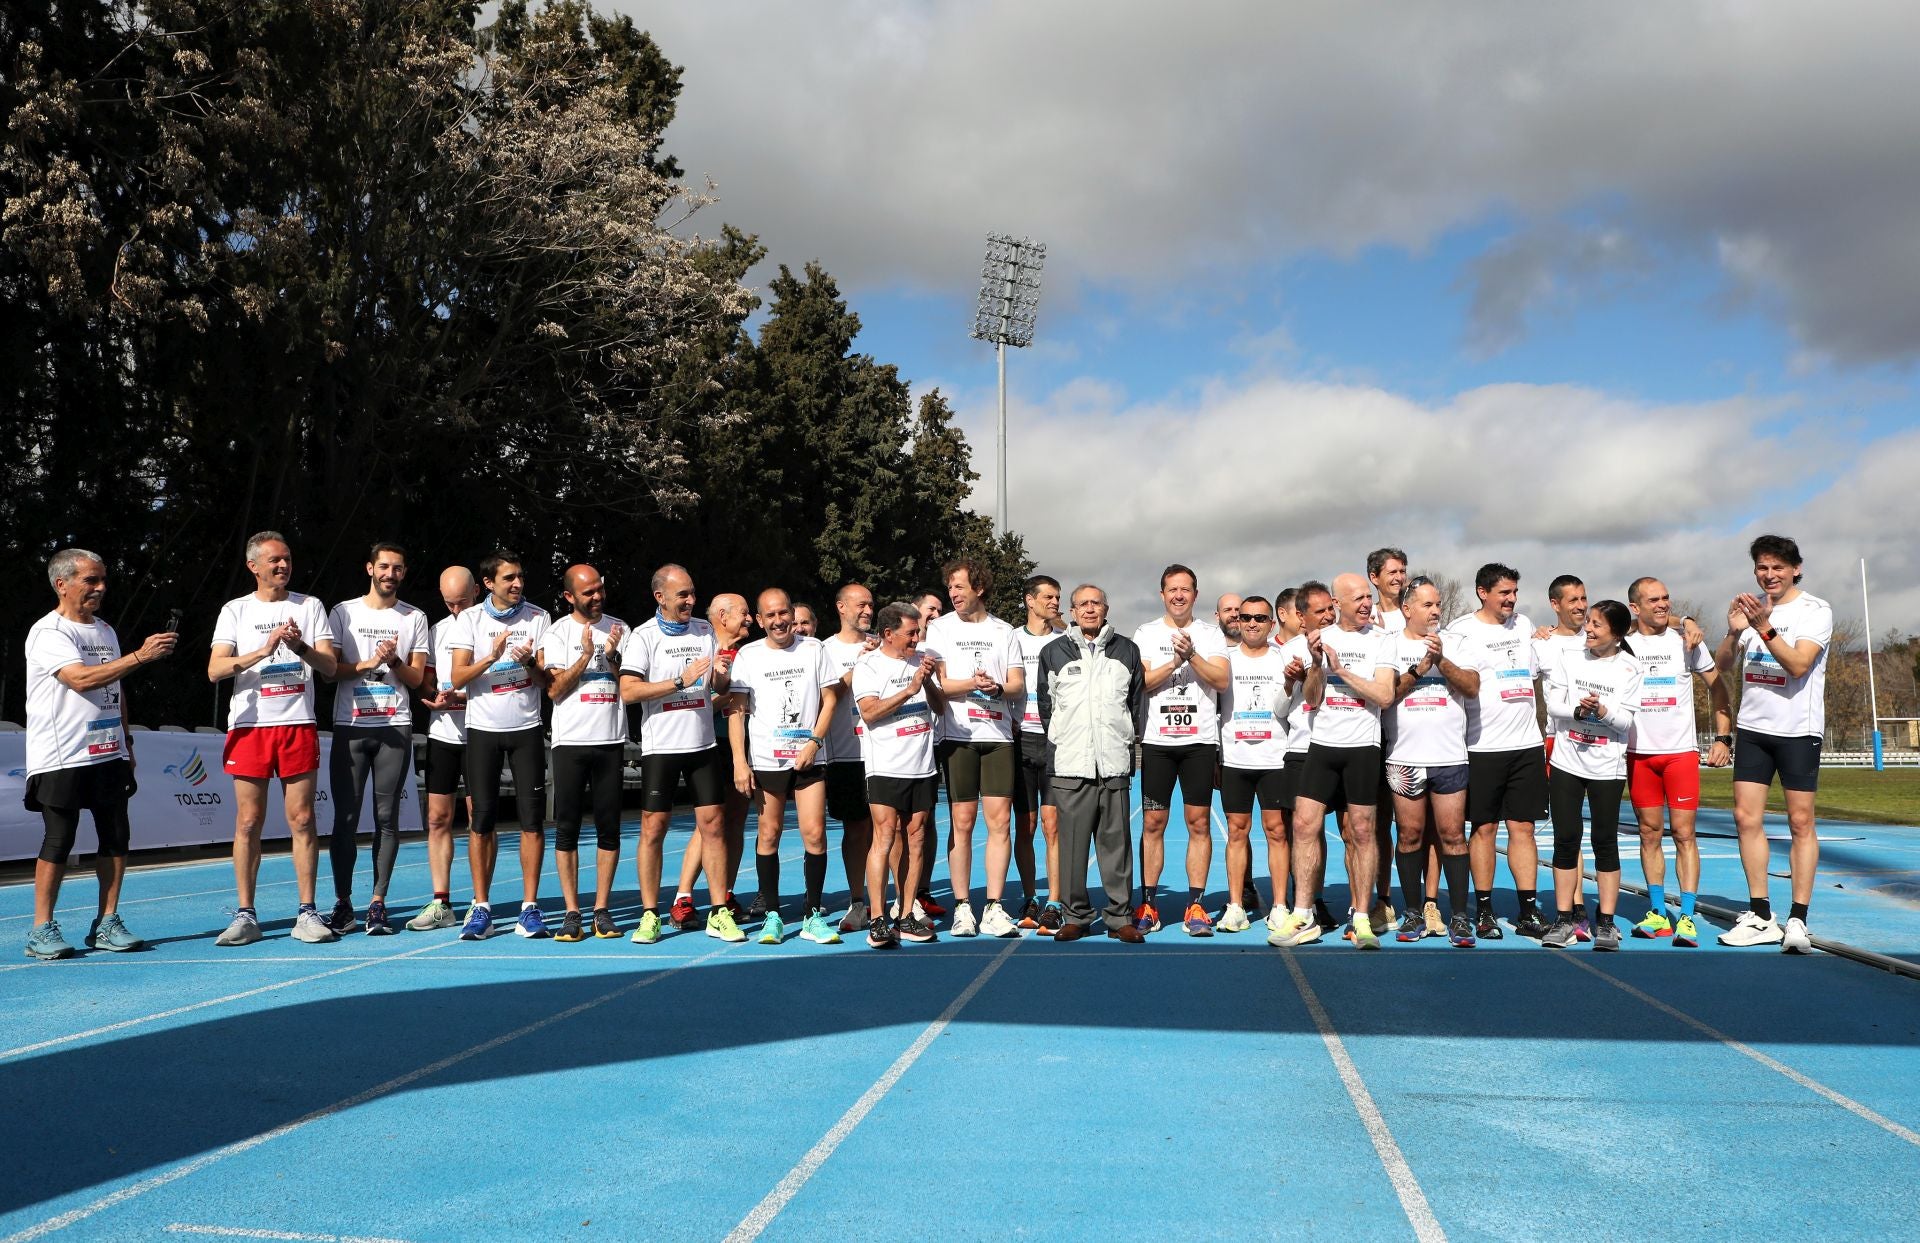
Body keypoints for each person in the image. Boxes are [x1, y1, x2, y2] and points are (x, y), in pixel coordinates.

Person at [21, 549, 177, 959]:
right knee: (59, 839)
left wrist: (126, 741)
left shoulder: (106, 630)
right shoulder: (48, 632)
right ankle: (42, 928)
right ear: (62, 584)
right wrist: (141, 655)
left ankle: (106, 922)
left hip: (107, 753)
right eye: (91, 581)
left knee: (116, 837)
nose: (101, 588)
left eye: (102, 580)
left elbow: (115, 688)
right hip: (63, 755)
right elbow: (81, 679)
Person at [208, 531, 338, 946]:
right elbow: (215, 670)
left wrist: (298, 645)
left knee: (302, 819)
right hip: (250, 726)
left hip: (297, 722)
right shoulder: (235, 610)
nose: (283, 566)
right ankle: (246, 914)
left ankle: (307, 912)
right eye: (274, 561)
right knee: (248, 822)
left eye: (287, 559)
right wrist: (263, 651)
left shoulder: (309, 605)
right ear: (254, 567)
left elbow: (330, 667)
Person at [1714, 534, 1831, 953]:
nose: (1769, 575)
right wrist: (1733, 632)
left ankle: (1798, 919)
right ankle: (1761, 914)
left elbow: (1799, 665)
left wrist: (1764, 627)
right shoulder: (1750, 611)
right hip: (1755, 730)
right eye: (1762, 568)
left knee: (1800, 822)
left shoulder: (1815, 610)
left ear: (1795, 568)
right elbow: (1723, 664)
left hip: (1798, 730)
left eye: (1778, 568)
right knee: (1746, 818)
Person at [1270, 573, 1396, 950]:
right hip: (1322, 745)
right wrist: (1315, 663)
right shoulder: (1319, 640)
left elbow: (1385, 695)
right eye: (1356, 598)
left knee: (1361, 831)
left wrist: (1340, 670)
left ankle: (1360, 918)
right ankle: (1303, 914)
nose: (1365, 603)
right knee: (1304, 824)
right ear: (1337, 604)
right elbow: (1311, 699)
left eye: (1368, 597)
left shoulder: (1382, 639)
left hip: (1362, 747)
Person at [620, 564, 740, 943]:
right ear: (661, 598)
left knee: (714, 828)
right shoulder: (643, 636)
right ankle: (649, 914)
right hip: (662, 749)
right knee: (653, 830)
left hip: (702, 745)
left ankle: (719, 912)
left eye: (692, 593)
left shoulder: (706, 631)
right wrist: (679, 681)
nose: (690, 601)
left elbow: (718, 686)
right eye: (682, 595)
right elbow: (629, 691)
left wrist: (720, 674)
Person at [728, 588, 843, 946]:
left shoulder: (814, 649)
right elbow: (736, 711)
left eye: (784, 613)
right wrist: (739, 761)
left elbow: (831, 700)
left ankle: (812, 914)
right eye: (770, 615)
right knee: (769, 833)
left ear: (792, 614)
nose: (779, 621)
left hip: (808, 756)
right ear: (760, 620)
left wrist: (814, 742)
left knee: (815, 833)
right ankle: (774, 915)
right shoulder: (748, 655)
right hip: (766, 758)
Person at [325, 543, 429, 936]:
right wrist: (367, 664)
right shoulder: (343, 612)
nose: (390, 574)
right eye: (384, 566)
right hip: (351, 725)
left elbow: (418, 681)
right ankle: (343, 903)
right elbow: (330, 670)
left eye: (398, 568)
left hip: (394, 726)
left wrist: (394, 661)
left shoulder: (414, 617)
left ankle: (377, 903)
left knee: (387, 819)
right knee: (345, 820)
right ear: (370, 567)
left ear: (403, 573)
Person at [446, 550, 551, 940]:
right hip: (483, 730)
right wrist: (492, 656)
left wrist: (528, 665)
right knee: (482, 820)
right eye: (509, 578)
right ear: (488, 583)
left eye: (520, 576)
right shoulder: (469, 620)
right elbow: (457, 678)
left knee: (532, 820)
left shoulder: (539, 617)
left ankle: (530, 908)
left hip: (526, 728)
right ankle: (481, 907)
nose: (518, 584)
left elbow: (545, 682)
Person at [1036, 584, 1147, 943]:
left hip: (1112, 764)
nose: (1089, 609)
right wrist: (1069, 739)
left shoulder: (1127, 650)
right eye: (1082, 604)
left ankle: (1119, 918)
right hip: (1071, 765)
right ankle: (1076, 916)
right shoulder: (1053, 652)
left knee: (1117, 846)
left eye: (1095, 603)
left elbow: (1135, 706)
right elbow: (1047, 708)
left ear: (1106, 608)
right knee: (1071, 847)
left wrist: (1122, 742)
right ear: (1071, 611)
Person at [1444, 563, 1550, 941]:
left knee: (1523, 828)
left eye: (1515, 592)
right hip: (1482, 746)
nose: (1511, 599)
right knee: (1484, 828)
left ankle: (1528, 910)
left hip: (1526, 745)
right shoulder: (1459, 631)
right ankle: (1485, 910)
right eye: (1504, 592)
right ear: (1482, 593)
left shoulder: (1525, 626)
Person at [1626, 578, 1731, 946]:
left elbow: (1717, 685)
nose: (1662, 604)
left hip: (1679, 755)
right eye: (1653, 600)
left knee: (1685, 834)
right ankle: (1658, 913)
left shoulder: (1686, 641)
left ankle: (1687, 916)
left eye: (1666, 598)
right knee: (1649, 834)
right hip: (1639, 755)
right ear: (1635, 608)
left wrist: (1723, 736)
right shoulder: (1623, 645)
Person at [925, 557, 1026, 937]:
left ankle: (994, 907)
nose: (953, 594)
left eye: (959, 587)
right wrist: (973, 683)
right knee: (962, 823)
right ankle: (963, 907)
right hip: (958, 737)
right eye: (950, 588)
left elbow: (1018, 685)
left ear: (979, 589)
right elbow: (938, 685)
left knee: (999, 822)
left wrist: (997, 688)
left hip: (998, 737)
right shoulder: (939, 629)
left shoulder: (1005, 631)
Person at [1132, 564, 1230, 935]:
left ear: (1195, 595)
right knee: (1153, 823)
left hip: (1199, 744)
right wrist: (1175, 659)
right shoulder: (1146, 633)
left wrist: (1192, 655)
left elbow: (1221, 680)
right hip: (1158, 743)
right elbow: (1141, 682)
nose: (1178, 595)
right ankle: (1149, 904)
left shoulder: (1210, 634)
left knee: (1198, 823)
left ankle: (1195, 905)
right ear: (1162, 594)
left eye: (1185, 590)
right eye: (1172, 589)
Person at [1382, 577, 1480, 947]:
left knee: (1453, 836)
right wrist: (1422, 668)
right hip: (1404, 757)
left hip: (1449, 756)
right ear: (1407, 609)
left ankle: (1458, 916)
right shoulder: (1388, 644)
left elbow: (1471, 686)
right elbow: (1386, 695)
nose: (1436, 610)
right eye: (1427, 605)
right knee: (1409, 835)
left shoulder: (1456, 642)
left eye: (1437, 604)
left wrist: (1443, 661)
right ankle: (1411, 912)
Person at [1541, 600, 1642, 950]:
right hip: (1568, 763)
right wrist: (1576, 709)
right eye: (1588, 621)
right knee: (1566, 839)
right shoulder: (1569, 658)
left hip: (1607, 767)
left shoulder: (1630, 668)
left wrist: (1602, 710)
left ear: (1617, 634)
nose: (1589, 628)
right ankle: (1565, 919)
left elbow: (1626, 722)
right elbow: (1553, 705)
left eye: (1597, 624)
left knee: (1604, 842)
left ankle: (1607, 923)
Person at [853, 602, 948, 947]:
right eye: (911, 632)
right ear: (888, 634)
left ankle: (907, 914)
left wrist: (930, 683)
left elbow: (940, 708)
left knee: (918, 837)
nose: (916, 638)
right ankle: (878, 919)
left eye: (918, 631)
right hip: (887, 765)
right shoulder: (869, 665)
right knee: (885, 838)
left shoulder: (921, 660)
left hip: (922, 765)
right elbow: (870, 713)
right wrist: (909, 689)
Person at [543, 564, 627, 942]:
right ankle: (572, 911)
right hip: (571, 742)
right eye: (588, 592)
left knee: (609, 826)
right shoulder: (557, 632)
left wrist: (612, 657)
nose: (596, 597)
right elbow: (554, 688)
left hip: (610, 739)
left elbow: (630, 682)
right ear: (569, 597)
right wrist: (587, 654)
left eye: (599, 589)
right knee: (568, 828)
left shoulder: (620, 627)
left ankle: (602, 909)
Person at [669, 592, 752, 929]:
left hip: (741, 744)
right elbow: (690, 698)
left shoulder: (747, 654)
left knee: (735, 820)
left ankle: (725, 894)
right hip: (704, 743)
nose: (749, 620)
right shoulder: (702, 645)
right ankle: (683, 898)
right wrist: (727, 696)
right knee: (709, 824)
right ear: (722, 615)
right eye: (744, 614)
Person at [410, 567, 478, 932]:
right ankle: (442, 901)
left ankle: (478, 903)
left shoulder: (487, 625)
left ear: (478, 592)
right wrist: (431, 696)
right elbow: (428, 679)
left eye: (463, 602)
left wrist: (466, 696)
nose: (456, 610)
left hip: (480, 733)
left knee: (477, 819)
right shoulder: (437, 629)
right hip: (443, 735)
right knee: (437, 818)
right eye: (449, 603)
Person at [1271, 583, 1340, 938]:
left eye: (1331, 608)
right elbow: (1279, 711)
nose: (1329, 615)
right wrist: (1288, 683)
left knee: (1351, 829)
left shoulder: (1349, 641)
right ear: (1301, 617)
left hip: (1347, 745)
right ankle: (1309, 902)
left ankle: (1357, 905)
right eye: (1320, 611)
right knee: (1306, 829)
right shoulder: (1290, 652)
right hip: (1304, 748)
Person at [1217, 596, 1288, 932]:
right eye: (1246, 617)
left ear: (1271, 624)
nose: (1252, 623)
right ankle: (1235, 906)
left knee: (1277, 832)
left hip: (1274, 758)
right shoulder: (1226, 660)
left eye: (1260, 618)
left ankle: (1279, 906)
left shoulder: (1282, 657)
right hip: (1235, 758)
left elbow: (1285, 708)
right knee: (1236, 832)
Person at [822, 583, 880, 932]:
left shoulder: (883, 646)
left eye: (871, 605)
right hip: (845, 754)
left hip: (885, 754)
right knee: (856, 830)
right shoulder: (823, 650)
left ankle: (898, 901)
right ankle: (858, 901)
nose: (868, 611)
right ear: (841, 607)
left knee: (892, 829)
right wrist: (857, 667)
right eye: (860, 605)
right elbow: (823, 700)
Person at [1012, 575, 1066, 931]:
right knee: (1025, 825)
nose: (1055, 603)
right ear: (1029, 601)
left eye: (1057, 597)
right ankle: (1031, 896)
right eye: (1048, 596)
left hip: (1054, 741)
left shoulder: (1064, 641)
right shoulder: (1012, 638)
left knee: (1052, 825)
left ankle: (1055, 901)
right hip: (1018, 739)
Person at [1365, 547, 1411, 930]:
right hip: (1376, 730)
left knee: (1418, 825)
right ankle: (1381, 899)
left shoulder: (1417, 612)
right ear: (1374, 577)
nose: (1399, 577)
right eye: (1392, 571)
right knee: (1377, 823)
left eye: (1403, 570)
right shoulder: (1367, 618)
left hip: (1416, 729)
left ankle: (1424, 901)